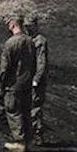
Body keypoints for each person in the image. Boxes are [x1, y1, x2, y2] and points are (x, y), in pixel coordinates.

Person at [0, 15, 37, 152]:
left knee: (14, 111)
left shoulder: (10, 43)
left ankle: (19, 141)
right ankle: (28, 141)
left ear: (12, 25)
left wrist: (1, 85)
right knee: (26, 111)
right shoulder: (30, 41)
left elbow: (5, 67)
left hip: (13, 84)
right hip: (26, 82)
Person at [26, 15, 49, 145]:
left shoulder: (40, 41)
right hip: (27, 77)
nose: (28, 29)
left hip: (36, 79)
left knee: (35, 106)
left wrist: (36, 79)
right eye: (26, 27)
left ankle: (37, 135)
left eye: (30, 27)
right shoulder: (28, 39)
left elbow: (42, 62)